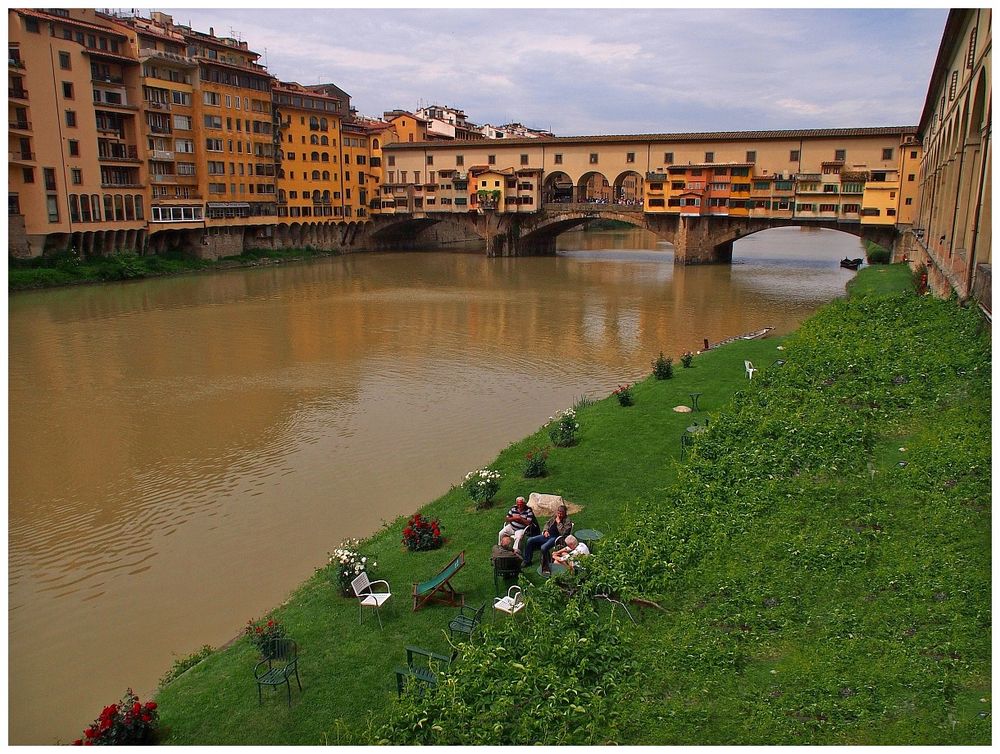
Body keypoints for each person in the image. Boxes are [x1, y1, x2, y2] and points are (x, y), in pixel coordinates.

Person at [522, 504, 573, 574]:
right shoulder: (555, 517)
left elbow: (563, 533)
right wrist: (546, 531)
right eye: (558, 513)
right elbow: (547, 524)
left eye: (561, 514)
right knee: (530, 540)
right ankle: (527, 561)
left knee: (543, 547)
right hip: (547, 535)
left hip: (556, 538)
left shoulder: (567, 521)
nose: (559, 515)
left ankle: (546, 565)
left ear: (565, 513)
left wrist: (558, 523)